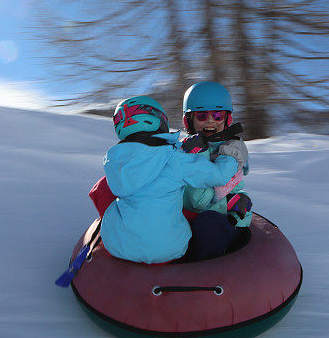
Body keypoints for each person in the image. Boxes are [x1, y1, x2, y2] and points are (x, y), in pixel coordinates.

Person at [100, 95, 240, 265]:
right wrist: (230, 157)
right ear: (158, 120)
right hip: (169, 249)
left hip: (117, 245)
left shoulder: (114, 161)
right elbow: (218, 176)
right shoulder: (173, 158)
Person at [180, 81, 252, 260]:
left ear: (227, 119)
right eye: (202, 115)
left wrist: (200, 154)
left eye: (218, 115)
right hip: (187, 214)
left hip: (219, 217)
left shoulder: (232, 150)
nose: (210, 120)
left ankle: (204, 276)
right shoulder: (185, 146)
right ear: (189, 120)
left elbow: (201, 200)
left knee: (208, 223)